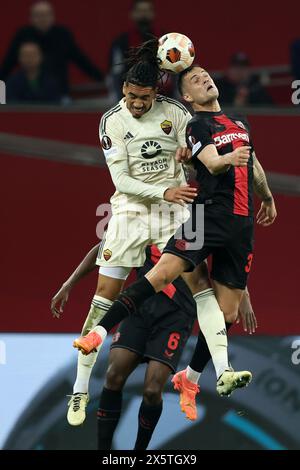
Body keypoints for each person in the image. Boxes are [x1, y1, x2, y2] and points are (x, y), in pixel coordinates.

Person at [74, 65, 277, 399]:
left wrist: (267, 196)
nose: (206, 80)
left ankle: (195, 377)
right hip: (204, 215)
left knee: (227, 311)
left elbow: (252, 165)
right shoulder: (196, 123)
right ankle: (98, 332)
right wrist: (226, 158)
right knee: (161, 275)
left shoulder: (239, 123)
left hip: (241, 225)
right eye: (195, 80)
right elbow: (212, 163)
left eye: (207, 76)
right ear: (186, 95)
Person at [56, 37, 199, 426]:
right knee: (103, 296)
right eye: (133, 95)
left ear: (157, 91)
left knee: (201, 282)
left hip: (174, 210)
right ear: (124, 90)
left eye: (145, 97)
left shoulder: (177, 114)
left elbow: (196, 160)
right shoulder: (112, 121)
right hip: (131, 210)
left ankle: (203, 372)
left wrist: (188, 162)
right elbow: (121, 178)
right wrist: (165, 188)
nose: (138, 103)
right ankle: (80, 390)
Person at [52, 242, 256, 446]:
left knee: (152, 391)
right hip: (139, 309)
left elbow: (226, 250)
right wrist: (68, 284)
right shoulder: (143, 217)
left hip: (177, 315)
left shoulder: (193, 222)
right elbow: (104, 246)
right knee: (114, 375)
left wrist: (243, 293)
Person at [0, 0, 103, 97]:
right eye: (38, 15)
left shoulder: (63, 35)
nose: (42, 19)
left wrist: (101, 78)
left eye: (45, 15)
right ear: (31, 18)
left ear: (52, 16)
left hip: (58, 92)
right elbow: (9, 62)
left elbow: (81, 60)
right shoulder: (23, 35)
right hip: (27, 93)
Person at [108, 0, 174, 100]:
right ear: (132, 14)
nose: (143, 14)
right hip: (131, 100)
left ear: (153, 13)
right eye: (140, 11)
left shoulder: (166, 39)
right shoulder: (121, 42)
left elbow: (175, 69)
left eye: (147, 10)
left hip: (164, 97)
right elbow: (116, 73)